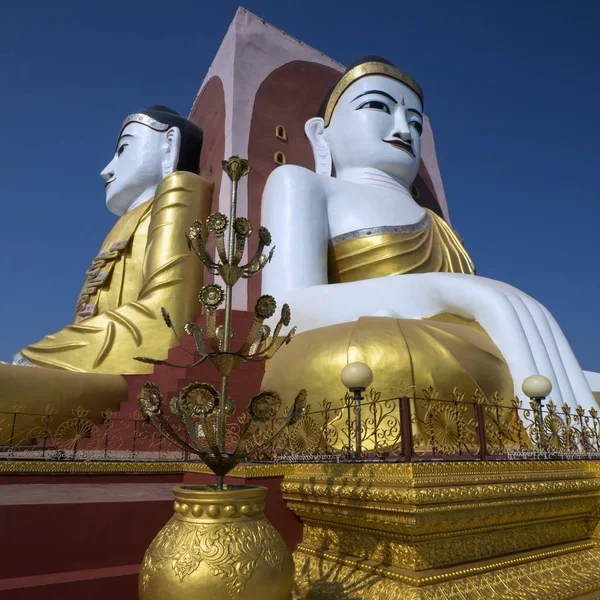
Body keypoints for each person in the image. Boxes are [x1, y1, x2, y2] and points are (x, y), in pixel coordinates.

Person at [261, 57, 595, 411]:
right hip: (384, 345)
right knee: (383, 357)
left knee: (581, 382)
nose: (404, 130)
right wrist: (440, 289)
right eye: (377, 106)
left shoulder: (439, 225)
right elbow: (282, 309)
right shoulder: (303, 184)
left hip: (466, 348)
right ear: (320, 133)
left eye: (416, 124)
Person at [13, 106, 213, 373]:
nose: (106, 171)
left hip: (135, 374)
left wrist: (35, 356)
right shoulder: (124, 223)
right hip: (92, 368)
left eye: (123, 150)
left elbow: (165, 322)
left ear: (169, 145)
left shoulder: (179, 193)